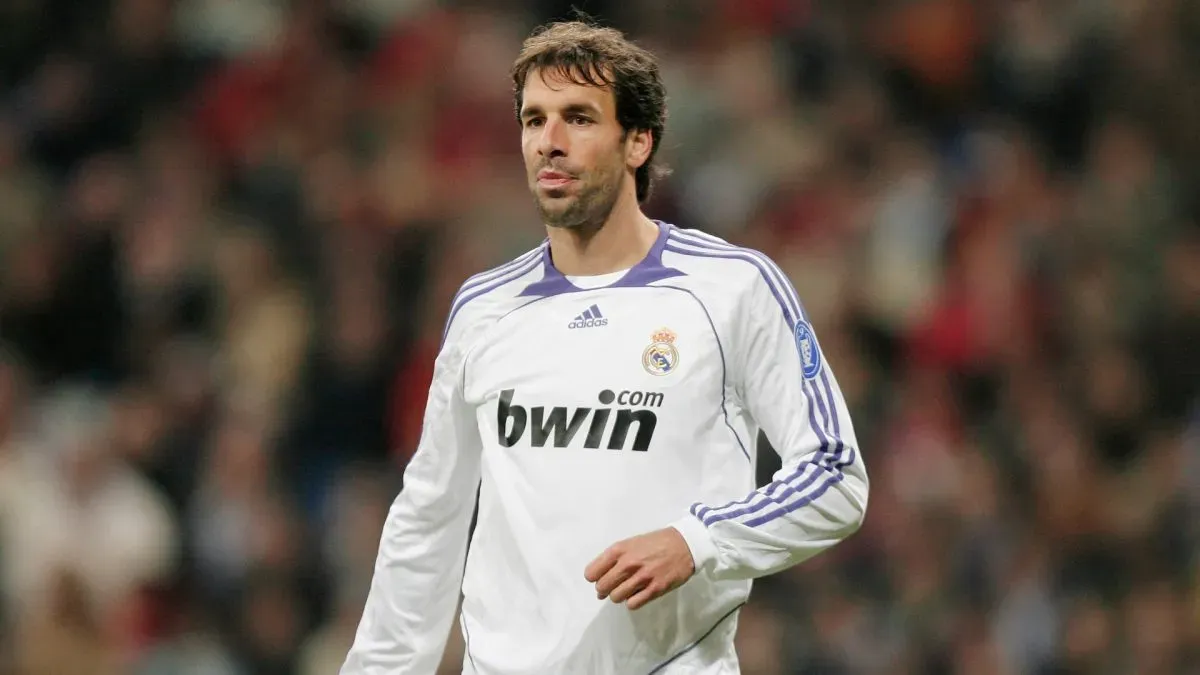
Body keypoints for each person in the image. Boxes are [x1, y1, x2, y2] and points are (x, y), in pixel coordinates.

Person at [341, 19, 869, 675]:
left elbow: (834, 475)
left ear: (638, 141)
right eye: (533, 120)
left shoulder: (733, 289)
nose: (549, 143)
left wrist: (697, 538)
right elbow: (428, 520)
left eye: (579, 118)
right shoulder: (484, 308)